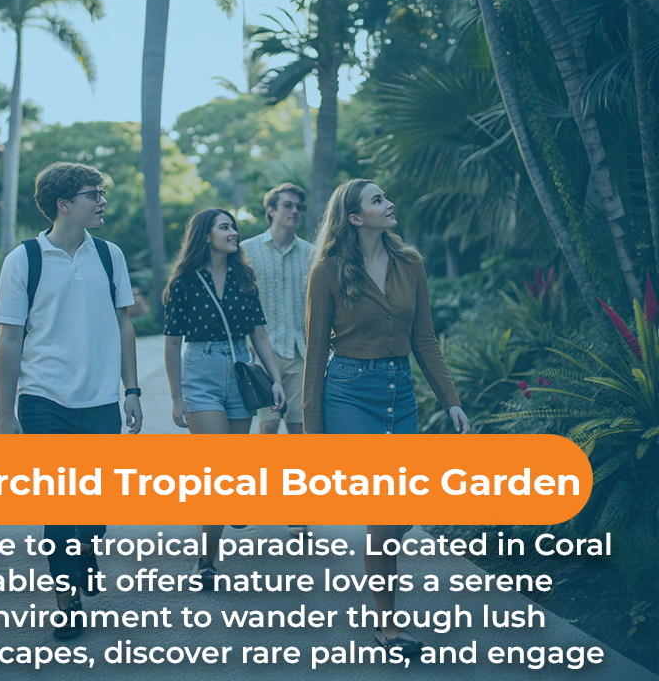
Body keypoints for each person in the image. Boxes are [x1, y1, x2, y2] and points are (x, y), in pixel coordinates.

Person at [303, 178, 469, 657]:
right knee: (385, 504)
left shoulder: (409, 263)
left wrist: (450, 399)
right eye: (378, 200)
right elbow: (315, 354)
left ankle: (377, 555)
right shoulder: (329, 271)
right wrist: (314, 432)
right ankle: (386, 624)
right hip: (349, 391)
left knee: (403, 510)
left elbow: (425, 339)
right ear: (355, 218)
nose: (389, 203)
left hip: (400, 394)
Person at [0, 161, 142, 639]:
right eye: (92, 194)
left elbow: (125, 324)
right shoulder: (24, 261)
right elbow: (9, 339)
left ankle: (87, 543)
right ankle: (68, 600)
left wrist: (132, 390)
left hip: (99, 398)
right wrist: (5, 414)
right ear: (64, 204)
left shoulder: (109, 255)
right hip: (44, 398)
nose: (101, 201)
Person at [163, 208, 286, 586]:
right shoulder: (184, 282)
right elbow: (171, 343)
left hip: (241, 369)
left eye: (233, 226)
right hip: (200, 370)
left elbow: (259, 335)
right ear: (206, 236)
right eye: (225, 227)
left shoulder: (243, 276)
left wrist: (276, 379)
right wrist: (176, 397)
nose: (234, 232)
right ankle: (207, 561)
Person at [242, 183, 313, 537]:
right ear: (270, 210)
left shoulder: (312, 254)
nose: (294, 211)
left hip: (302, 353)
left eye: (298, 206)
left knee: (299, 433)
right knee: (267, 429)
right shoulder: (246, 250)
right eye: (287, 205)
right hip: (261, 357)